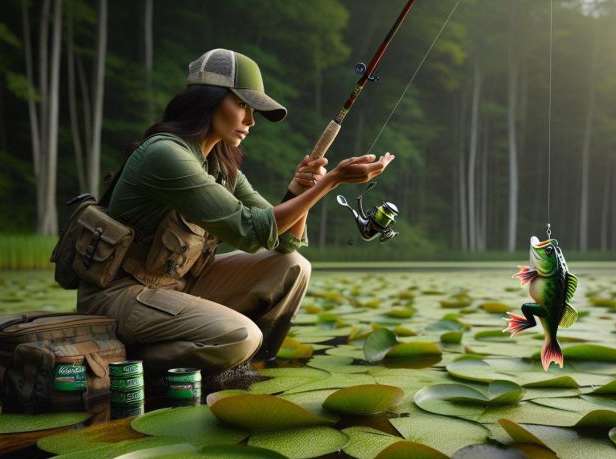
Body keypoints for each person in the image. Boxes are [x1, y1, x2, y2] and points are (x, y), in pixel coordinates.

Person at [77, 48, 393, 373]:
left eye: (253, 110)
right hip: (120, 295)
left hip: (178, 284)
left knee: (293, 266)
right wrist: (331, 181)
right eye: (242, 105)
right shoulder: (165, 154)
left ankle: (253, 367)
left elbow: (285, 243)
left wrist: (303, 190)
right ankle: (126, 364)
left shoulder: (220, 166)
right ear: (207, 101)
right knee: (241, 336)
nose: (251, 121)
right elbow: (250, 231)